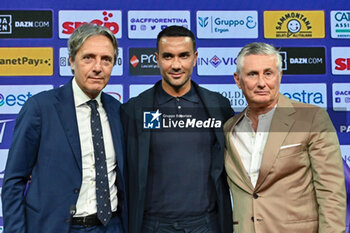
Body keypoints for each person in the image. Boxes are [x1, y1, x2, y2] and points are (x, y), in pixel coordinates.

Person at [2, 24, 127, 233]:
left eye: (106, 59)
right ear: (71, 61)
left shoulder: (118, 111)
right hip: (59, 227)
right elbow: (14, 181)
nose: (98, 67)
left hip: (112, 226)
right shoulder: (40, 108)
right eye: (88, 57)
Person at [121, 25, 234, 233]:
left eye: (183, 56)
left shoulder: (219, 106)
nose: (176, 65)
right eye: (167, 56)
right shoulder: (135, 110)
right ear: (156, 58)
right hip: (153, 226)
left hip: (206, 225)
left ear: (195, 58)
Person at [224, 42, 346, 233]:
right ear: (238, 80)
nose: (262, 83)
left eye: (268, 73)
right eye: (252, 74)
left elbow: (331, 193)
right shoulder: (230, 129)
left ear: (280, 76)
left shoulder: (311, 118)